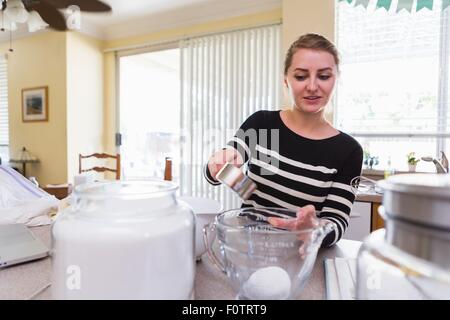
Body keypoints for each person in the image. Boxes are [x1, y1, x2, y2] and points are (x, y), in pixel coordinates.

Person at [204, 33, 363, 247]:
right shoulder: (262, 124)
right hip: (248, 250)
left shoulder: (348, 151)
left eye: (324, 76)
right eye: (301, 76)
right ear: (286, 79)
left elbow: (337, 222)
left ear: (336, 79)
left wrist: (313, 230)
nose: (313, 86)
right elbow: (229, 178)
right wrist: (218, 163)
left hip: (300, 258)